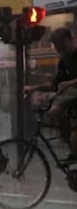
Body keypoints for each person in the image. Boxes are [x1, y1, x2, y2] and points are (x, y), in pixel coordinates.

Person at [27, 27, 77, 160]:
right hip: (72, 103)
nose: (58, 49)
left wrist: (69, 83)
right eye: (56, 45)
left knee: (74, 139)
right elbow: (55, 84)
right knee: (54, 111)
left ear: (69, 40)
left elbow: (64, 84)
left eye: (60, 45)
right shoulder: (64, 61)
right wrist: (34, 88)